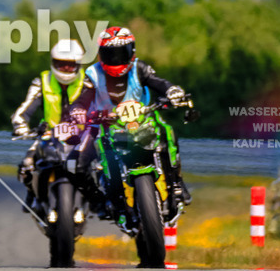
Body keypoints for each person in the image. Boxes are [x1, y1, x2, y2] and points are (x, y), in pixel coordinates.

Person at [71, 26, 192, 223]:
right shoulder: (92, 74)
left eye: (121, 53)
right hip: (106, 125)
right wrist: (78, 111)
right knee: (77, 163)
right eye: (111, 54)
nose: (116, 59)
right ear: (101, 54)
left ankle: (177, 183)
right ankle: (101, 202)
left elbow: (159, 82)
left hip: (143, 119)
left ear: (132, 52)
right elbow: (83, 98)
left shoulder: (139, 68)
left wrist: (172, 91)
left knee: (167, 131)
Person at [11, 39, 101, 211]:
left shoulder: (89, 81)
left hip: (83, 135)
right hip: (49, 134)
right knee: (27, 163)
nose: (66, 69)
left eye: (70, 65)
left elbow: (102, 105)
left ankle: (98, 200)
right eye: (61, 64)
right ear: (53, 63)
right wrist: (21, 126)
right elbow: (23, 110)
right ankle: (34, 197)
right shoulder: (42, 82)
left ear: (78, 64)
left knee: (101, 163)